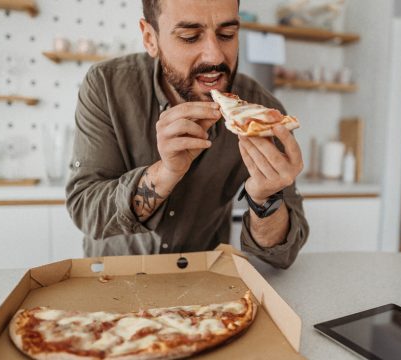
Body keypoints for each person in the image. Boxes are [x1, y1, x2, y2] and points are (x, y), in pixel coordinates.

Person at [65, 0, 309, 269]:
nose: (214, 56)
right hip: (113, 281)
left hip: (207, 284)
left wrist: (267, 199)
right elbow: (85, 210)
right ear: (150, 38)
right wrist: (164, 173)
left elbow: (283, 255)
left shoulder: (262, 112)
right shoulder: (106, 87)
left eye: (227, 34)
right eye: (190, 37)